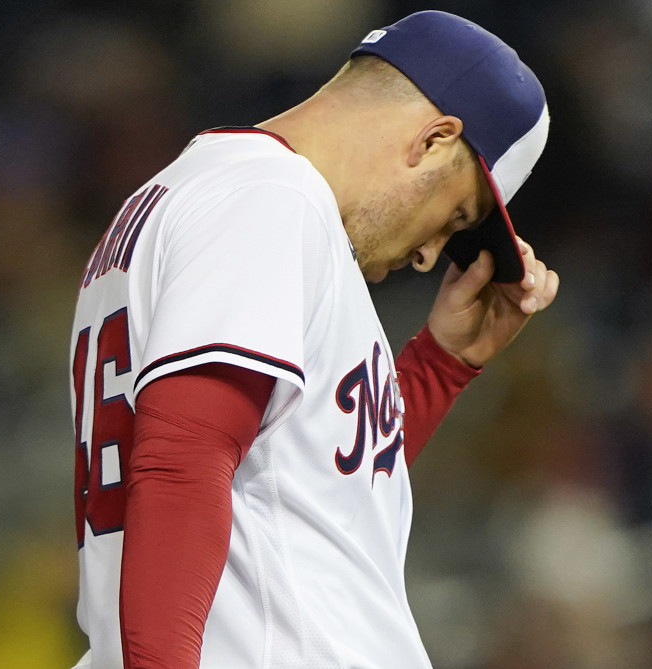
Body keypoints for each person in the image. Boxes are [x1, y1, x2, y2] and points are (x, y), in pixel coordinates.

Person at [67, 10, 557, 668]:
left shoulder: (196, 193)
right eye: (456, 215)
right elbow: (185, 458)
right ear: (434, 139)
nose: (430, 254)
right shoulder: (271, 196)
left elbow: (311, 491)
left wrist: (440, 366)